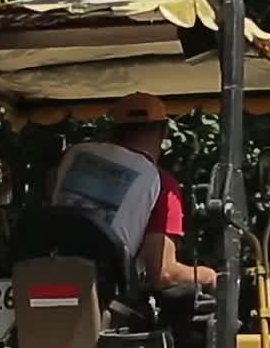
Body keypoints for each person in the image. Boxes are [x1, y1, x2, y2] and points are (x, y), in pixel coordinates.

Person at [52, 93, 215, 292]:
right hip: (101, 294)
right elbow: (162, 273)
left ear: (113, 130)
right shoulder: (162, 184)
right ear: (164, 131)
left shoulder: (73, 156)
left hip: (45, 277)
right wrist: (208, 275)